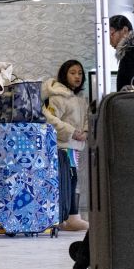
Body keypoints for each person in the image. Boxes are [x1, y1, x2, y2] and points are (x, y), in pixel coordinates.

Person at [44, 60, 90, 232]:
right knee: (69, 180)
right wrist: (72, 131)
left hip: (74, 146)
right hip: (62, 147)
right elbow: (50, 119)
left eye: (80, 73)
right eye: (72, 72)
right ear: (64, 74)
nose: (77, 76)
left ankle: (67, 217)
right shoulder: (58, 96)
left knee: (72, 179)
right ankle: (71, 217)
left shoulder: (79, 98)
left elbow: (85, 119)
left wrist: (84, 132)